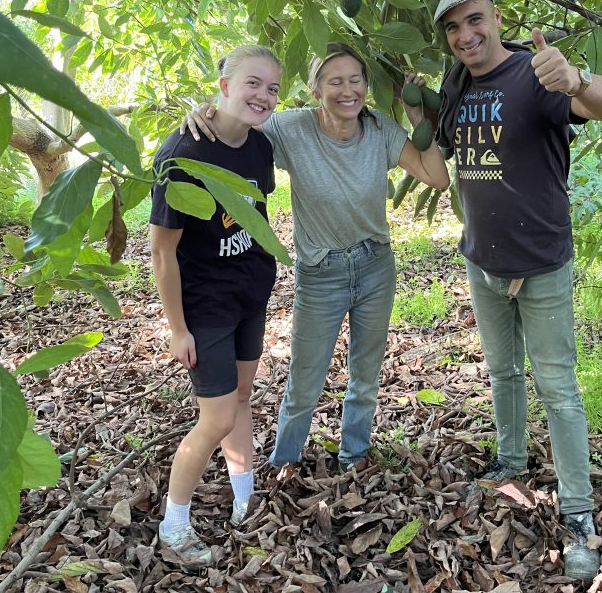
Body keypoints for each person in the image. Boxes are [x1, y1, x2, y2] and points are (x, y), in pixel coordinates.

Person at [432, 0, 602, 581]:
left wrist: (577, 80)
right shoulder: (458, 87)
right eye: (453, 27)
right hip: (482, 260)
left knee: (559, 389)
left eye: (474, 20)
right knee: (501, 372)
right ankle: (511, 459)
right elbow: (440, 159)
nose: (466, 35)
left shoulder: (535, 74)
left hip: (542, 261)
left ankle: (578, 515)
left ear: (497, 18)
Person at [184, 42, 449, 475]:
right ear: (314, 90)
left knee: (366, 372)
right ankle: (284, 460)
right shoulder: (292, 130)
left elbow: (437, 177)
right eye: (335, 81)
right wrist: (204, 110)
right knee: (306, 379)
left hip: (375, 266)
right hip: (321, 272)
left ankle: (353, 456)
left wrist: (419, 121)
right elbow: (236, 120)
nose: (348, 90)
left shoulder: (381, 129)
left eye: (356, 79)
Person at [150, 44, 282, 566]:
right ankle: (174, 525)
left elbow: (255, 212)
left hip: (251, 290)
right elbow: (162, 251)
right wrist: (176, 328)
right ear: (224, 85)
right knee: (217, 417)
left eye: (272, 88)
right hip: (205, 304)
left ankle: (245, 498)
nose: (263, 95)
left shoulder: (259, 147)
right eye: (253, 83)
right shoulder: (182, 153)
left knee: (243, 396)